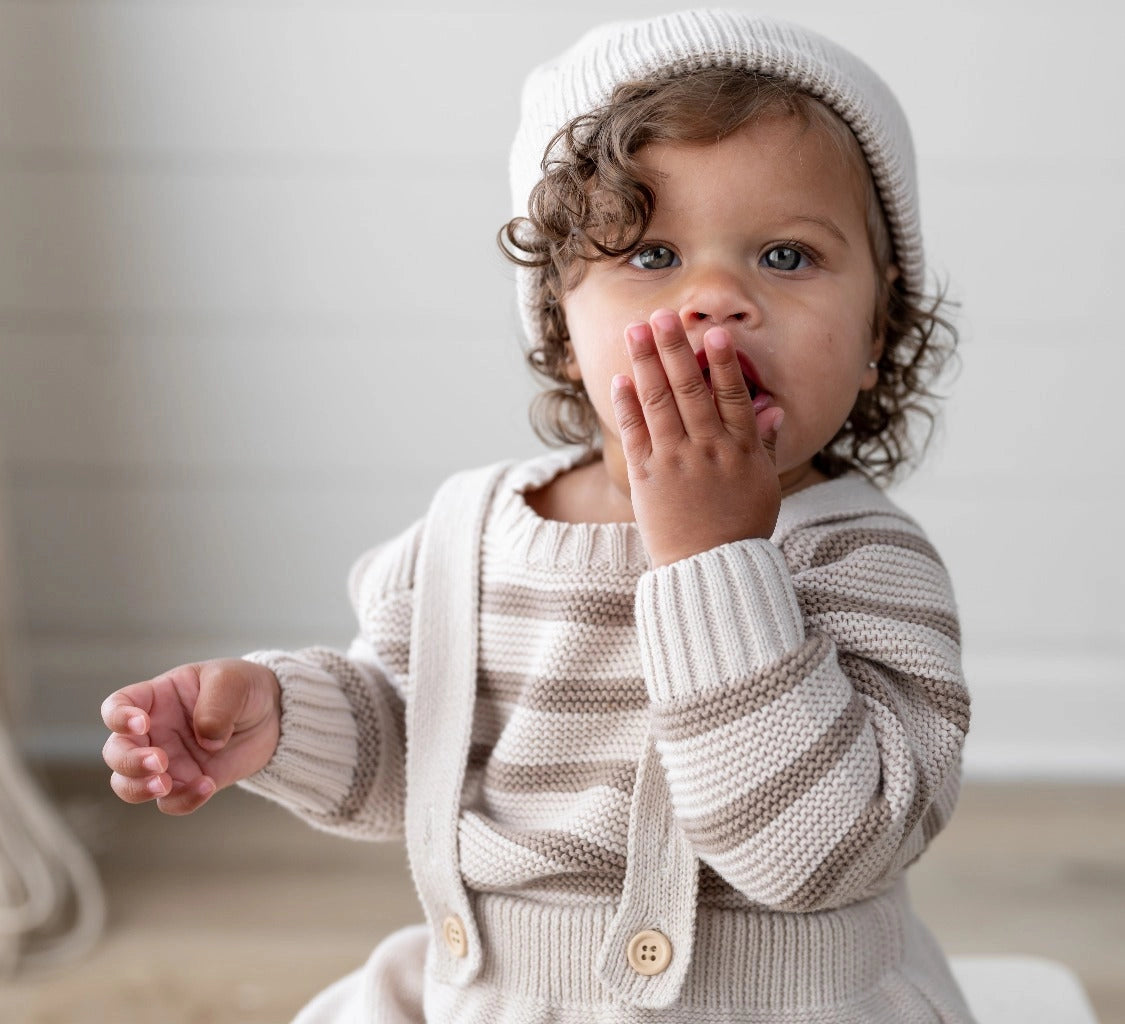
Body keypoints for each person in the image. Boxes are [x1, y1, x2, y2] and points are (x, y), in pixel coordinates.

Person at [98, 9, 973, 1022]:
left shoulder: (869, 562)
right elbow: (418, 745)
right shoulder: (475, 532)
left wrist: (713, 560)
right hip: (493, 993)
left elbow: (817, 849)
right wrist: (273, 720)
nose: (715, 299)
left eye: (785, 257)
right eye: (651, 255)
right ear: (563, 324)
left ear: (875, 332)